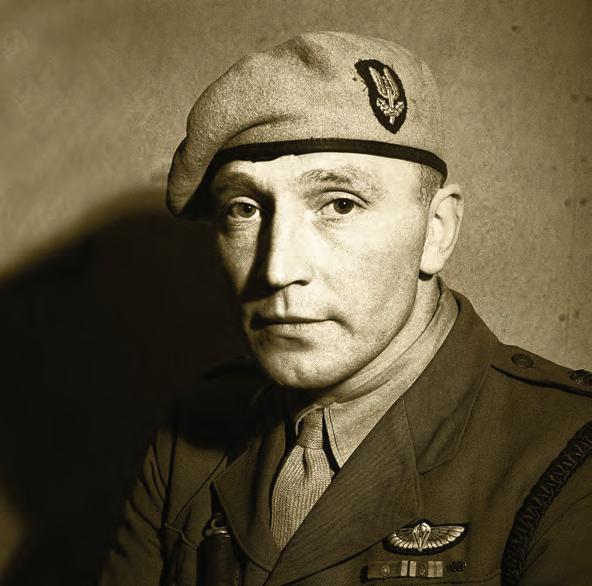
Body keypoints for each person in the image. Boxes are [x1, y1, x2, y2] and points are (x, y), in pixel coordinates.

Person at [100, 32, 592, 586]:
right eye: (244, 208)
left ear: (436, 231)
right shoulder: (191, 439)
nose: (277, 268)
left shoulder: (569, 458)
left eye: (339, 204)